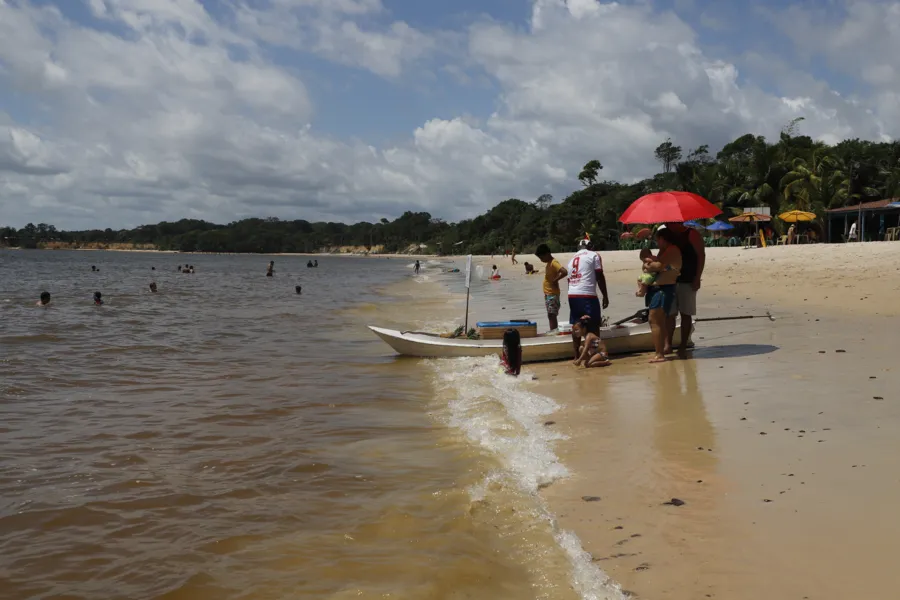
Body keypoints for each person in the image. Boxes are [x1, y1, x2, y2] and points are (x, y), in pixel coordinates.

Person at [664, 221, 705, 358]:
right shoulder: (667, 235)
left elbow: (701, 255)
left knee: (686, 313)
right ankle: (667, 344)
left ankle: (682, 345)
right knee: (669, 314)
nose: (667, 224)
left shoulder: (692, 234)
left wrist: (697, 277)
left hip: (688, 279)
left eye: (669, 223)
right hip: (670, 280)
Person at [643, 227, 683, 363]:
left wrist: (649, 265)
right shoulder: (665, 251)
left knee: (655, 320)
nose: (656, 243)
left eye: (657, 240)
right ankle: (659, 352)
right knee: (657, 321)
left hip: (663, 289)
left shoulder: (672, 250)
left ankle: (659, 354)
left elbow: (657, 266)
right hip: (659, 288)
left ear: (662, 239)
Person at [565, 238, 609, 358]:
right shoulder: (594, 255)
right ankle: (594, 354)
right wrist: (605, 296)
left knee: (576, 324)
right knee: (593, 324)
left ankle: (576, 355)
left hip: (572, 294)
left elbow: (569, 281)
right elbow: (599, 276)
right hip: (587, 295)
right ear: (591, 247)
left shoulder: (571, 259)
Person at [535, 244, 567, 332]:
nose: (541, 260)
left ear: (547, 254)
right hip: (549, 294)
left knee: (552, 314)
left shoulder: (553, 262)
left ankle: (553, 331)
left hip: (553, 294)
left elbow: (564, 272)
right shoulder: (549, 263)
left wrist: (555, 280)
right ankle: (553, 330)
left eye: (541, 258)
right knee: (550, 314)